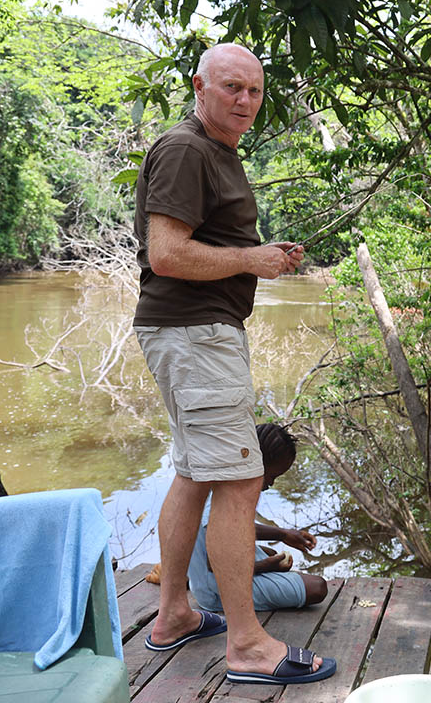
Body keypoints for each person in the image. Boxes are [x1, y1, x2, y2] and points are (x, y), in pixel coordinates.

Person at [132, 42, 334, 685]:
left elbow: (200, 245)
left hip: (190, 334)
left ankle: (173, 616)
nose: (244, 99)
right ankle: (247, 646)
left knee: (194, 474)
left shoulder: (215, 151)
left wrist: (258, 253)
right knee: (240, 481)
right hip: (195, 335)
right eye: (231, 87)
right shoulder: (187, 149)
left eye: (254, 90)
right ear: (199, 86)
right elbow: (166, 253)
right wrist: (251, 260)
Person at [188, 423, 329, 613]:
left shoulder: (223, 480)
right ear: (256, 462)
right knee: (317, 587)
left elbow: (231, 528)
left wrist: (283, 534)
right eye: (271, 476)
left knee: (271, 553)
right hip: (216, 590)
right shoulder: (224, 499)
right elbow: (216, 565)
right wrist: (264, 566)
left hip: (213, 576)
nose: (271, 483)